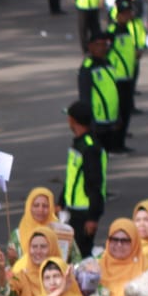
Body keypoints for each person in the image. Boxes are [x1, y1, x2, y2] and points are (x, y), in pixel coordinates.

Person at [63, 102, 107, 257]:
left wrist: (93, 217)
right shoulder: (80, 143)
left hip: (84, 213)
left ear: (73, 120)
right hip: (74, 210)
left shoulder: (89, 147)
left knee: (80, 255)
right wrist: (61, 202)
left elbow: (94, 184)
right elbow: (72, 177)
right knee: (72, 253)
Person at [108, 0, 146, 147]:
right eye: (123, 13)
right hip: (117, 77)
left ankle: (121, 140)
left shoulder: (127, 30)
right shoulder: (113, 31)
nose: (127, 16)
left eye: (128, 13)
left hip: (128, 75)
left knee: (126, 110)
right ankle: (116, 142)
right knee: (119, 111)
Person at [77, 32, 122, 153]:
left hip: (110, 118)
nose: (102, 48)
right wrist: (88, 121)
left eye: (104, 45)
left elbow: (114, 92)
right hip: (96, 122)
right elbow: (84, 96)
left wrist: (118, 116)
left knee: (104, 155)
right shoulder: (87, 68)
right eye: (98, 45)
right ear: (90, 46)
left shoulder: (108, 64)